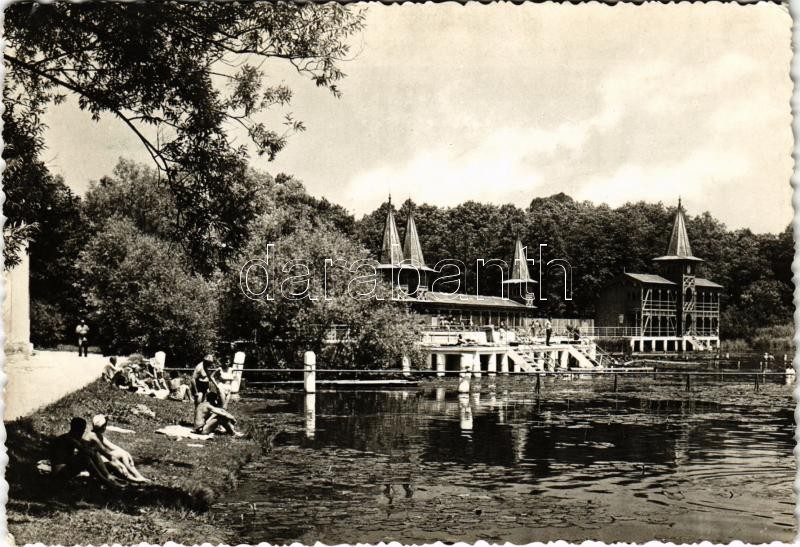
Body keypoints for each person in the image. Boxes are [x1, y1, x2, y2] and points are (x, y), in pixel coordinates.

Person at [50, 417, 122, 488]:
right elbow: (86, 451)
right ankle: (105, 481)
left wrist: (97, 450)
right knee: (85, 459)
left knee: (93, 452)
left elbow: (89, 447)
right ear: (78, 430)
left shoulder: (72, 437)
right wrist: (93, 450)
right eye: (82, 430)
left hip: (66, 469)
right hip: (59, 474)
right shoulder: (69, 439)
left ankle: (108, 476)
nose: (83, 432)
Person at [85, 415, 150, 483]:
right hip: (93, 463)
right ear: (102, 426)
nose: (105, 427)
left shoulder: (97, 434)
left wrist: (127, 453)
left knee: (122, 453)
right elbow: (105, 453)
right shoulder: (93, 436)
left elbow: (112, 446)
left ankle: (138, 476)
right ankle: (133, 477)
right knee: (119, 458)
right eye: (105, 425)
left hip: (99, 459)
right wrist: (121, 465)